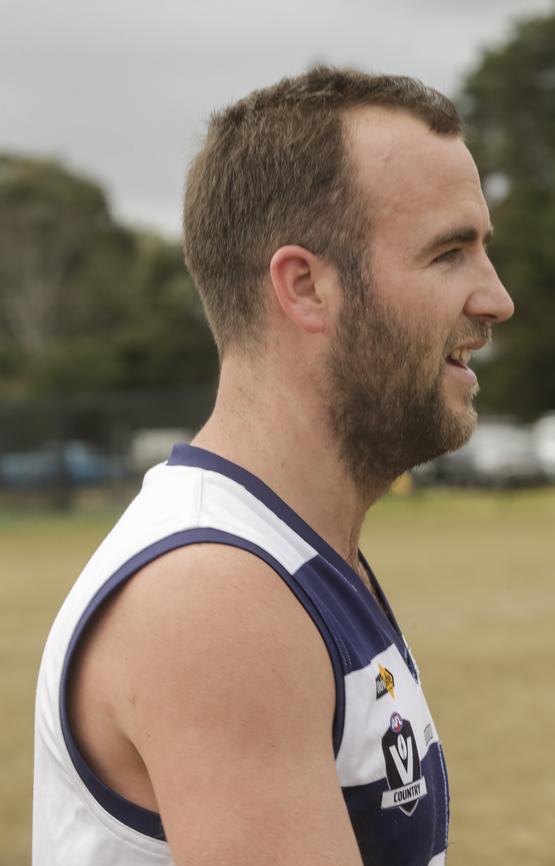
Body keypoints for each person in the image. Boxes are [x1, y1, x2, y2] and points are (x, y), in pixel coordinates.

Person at [33, 66, 513, 866]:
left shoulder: (292, 554)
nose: (496, 299)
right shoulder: (216, 598)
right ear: (304, 287)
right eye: (449, 254)